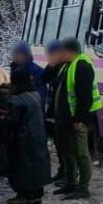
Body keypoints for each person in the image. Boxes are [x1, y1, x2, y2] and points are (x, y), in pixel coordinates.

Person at [53, 38, 99, 200]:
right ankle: (70, 183)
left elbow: (84, 96)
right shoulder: (67, 65)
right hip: (65, 119)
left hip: (77, 119)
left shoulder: (82, 66)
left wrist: (79, 119)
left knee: (81, 153)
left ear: (69, 51)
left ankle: (83, 187)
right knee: (67, 152)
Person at [5, 67, 52, 204]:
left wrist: (4, 118)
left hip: (23, 140)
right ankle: (37, 201)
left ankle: (28, 201)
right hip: (38, 136)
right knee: (37, 169)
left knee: (25, 170)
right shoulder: (36, 95)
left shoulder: (15, 100)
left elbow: (13, 122)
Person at [41, 40, 67, 183]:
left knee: (65, 146)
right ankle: (62, 171)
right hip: (54, 110)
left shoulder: (66, 67)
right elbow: (43, 79)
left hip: (64, 112)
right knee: (58, 143)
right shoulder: (55, 66)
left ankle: (67, 173)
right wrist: (50, 66)